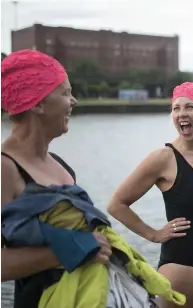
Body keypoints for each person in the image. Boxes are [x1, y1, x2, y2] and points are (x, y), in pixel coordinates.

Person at [1, 50, 183, 308]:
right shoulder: (5, 169)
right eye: (65, 93)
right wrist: (69, 249)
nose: (73, 100)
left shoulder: (61, 166)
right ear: (38, 104)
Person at [107, 82, 193, 308]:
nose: (181, 114)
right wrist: (153, 234)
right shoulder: (163, 158)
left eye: (189, 107)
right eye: (176, 109)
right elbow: (117, 204)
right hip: (183, 264)